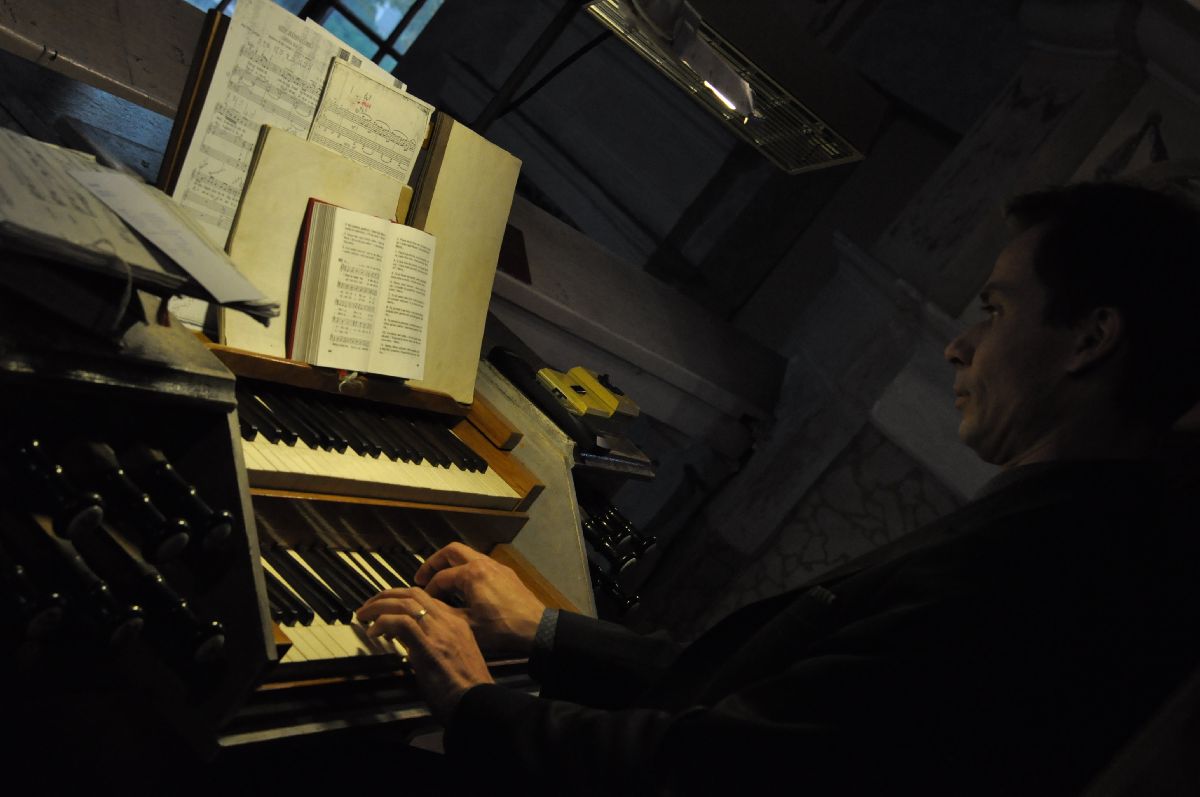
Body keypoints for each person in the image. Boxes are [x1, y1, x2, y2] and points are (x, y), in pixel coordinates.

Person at [356, 181, 1200, 795]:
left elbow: (718, 767)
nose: (960, 345)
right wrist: (545, 632)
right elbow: (765, 689)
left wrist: (475, 702)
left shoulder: (1045, 567)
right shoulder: (1081, 518)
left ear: (1089, 339)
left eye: (996, 309)